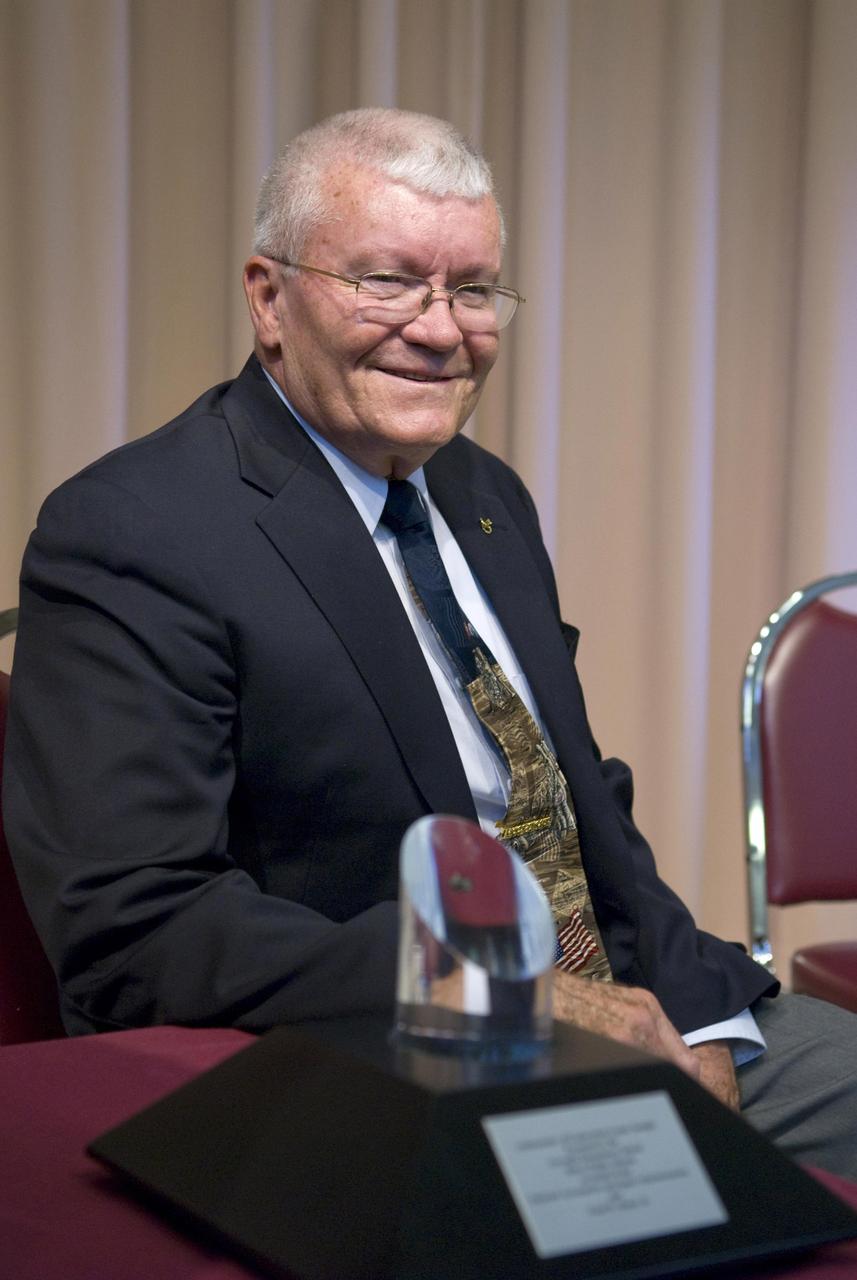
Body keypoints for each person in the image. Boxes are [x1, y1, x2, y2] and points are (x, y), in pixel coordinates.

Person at [4, 108, 856, 1175]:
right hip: (368, 1055)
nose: (440, 327)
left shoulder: (480, 492)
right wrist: (516, 1002)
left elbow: (574, 803)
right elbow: (137, 922)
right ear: (268, 297)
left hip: (607, 1014)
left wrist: (697, 1017)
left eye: (470, 289)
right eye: (387, 280)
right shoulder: (135, 527)